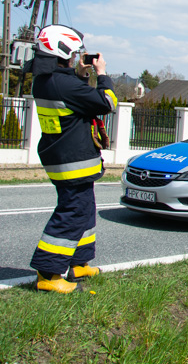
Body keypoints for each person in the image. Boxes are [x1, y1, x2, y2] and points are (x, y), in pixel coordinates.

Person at [28, 25, 117, 293]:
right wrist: (101, 75)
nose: (77, 55)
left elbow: (71, 98)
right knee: (72, 213)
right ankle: (49, 274)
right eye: (75, 51)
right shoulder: (63, 84)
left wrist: (79, 74)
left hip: (63, 156)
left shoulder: (47, 80)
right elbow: (107, 102)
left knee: (85, 210)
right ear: (62, 50)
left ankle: (79, 263)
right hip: (72, 161)